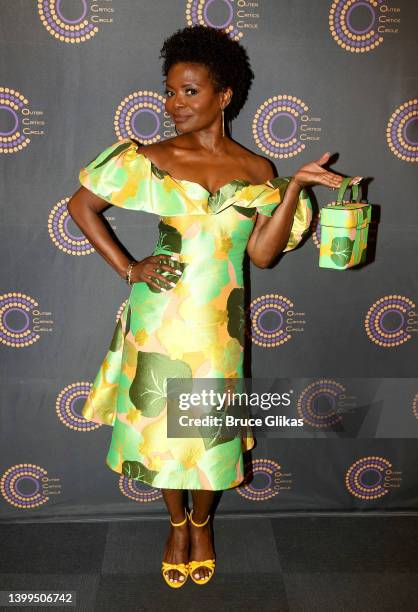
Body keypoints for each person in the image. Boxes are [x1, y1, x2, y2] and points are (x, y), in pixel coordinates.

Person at [67, 24, 361, 588]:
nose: (174, 104)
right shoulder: (151, 157)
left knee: (209, 433)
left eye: (189, 92)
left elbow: (264, 255)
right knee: (163, 432)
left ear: (224, 96)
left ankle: (203, 522)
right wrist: (129, 267)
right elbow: (82, 206)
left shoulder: (256, 171)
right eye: (170, 91)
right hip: (158, 320)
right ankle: (176, 525)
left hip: (218, 327)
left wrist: (294, 188)